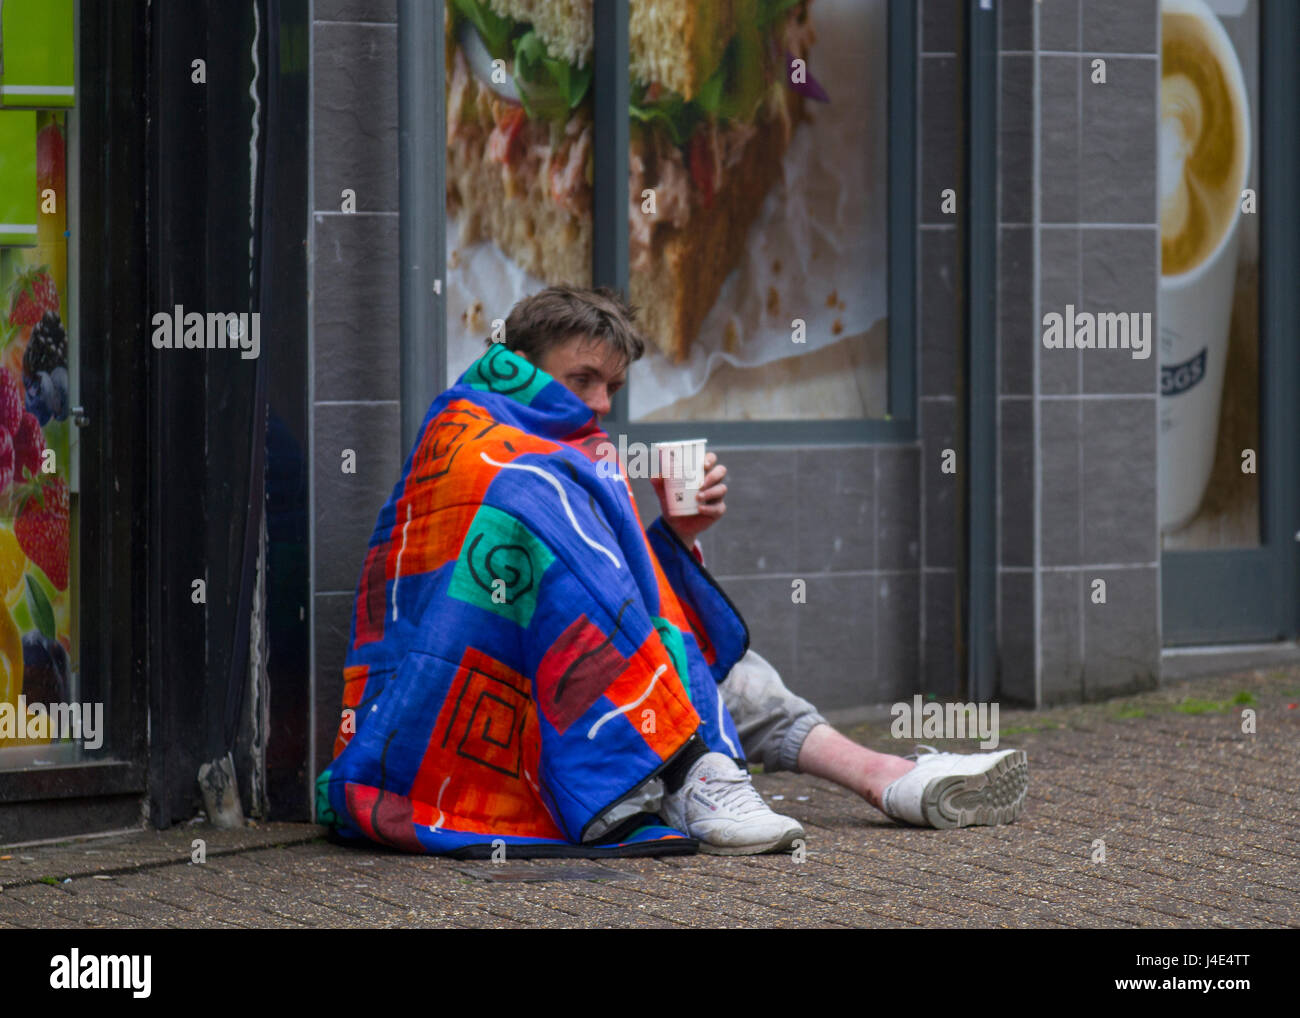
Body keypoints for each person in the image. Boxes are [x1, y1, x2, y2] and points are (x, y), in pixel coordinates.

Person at [319, 286, 1027, 858]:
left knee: (735, 676)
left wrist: (677, 536)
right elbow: (551, 570)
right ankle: (699, 771)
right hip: (470, 704)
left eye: (612, 387)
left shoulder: (570, 448)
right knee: (687, 672)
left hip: (560, 675)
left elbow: (604, 588)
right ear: (523, 366)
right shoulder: (474, 439)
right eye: (582, 379)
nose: (600, 403)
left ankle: (888, 779)